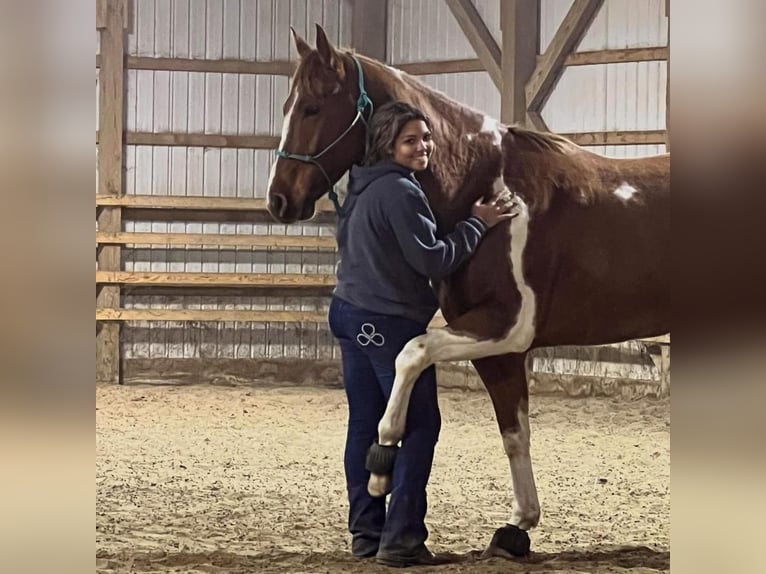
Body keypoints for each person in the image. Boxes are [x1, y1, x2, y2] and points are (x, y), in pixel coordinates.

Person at [328, 101, 517, 567]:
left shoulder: (361, 185)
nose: (423, 147)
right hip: (386, 323)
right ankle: (402, 538)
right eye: (410, 140)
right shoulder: (400, 192)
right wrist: (478, 223)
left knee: (366, 423)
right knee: (419, 426)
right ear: (388, 144)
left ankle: (367, 534)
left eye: (426, 138)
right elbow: (433, 260)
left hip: (348, 312)